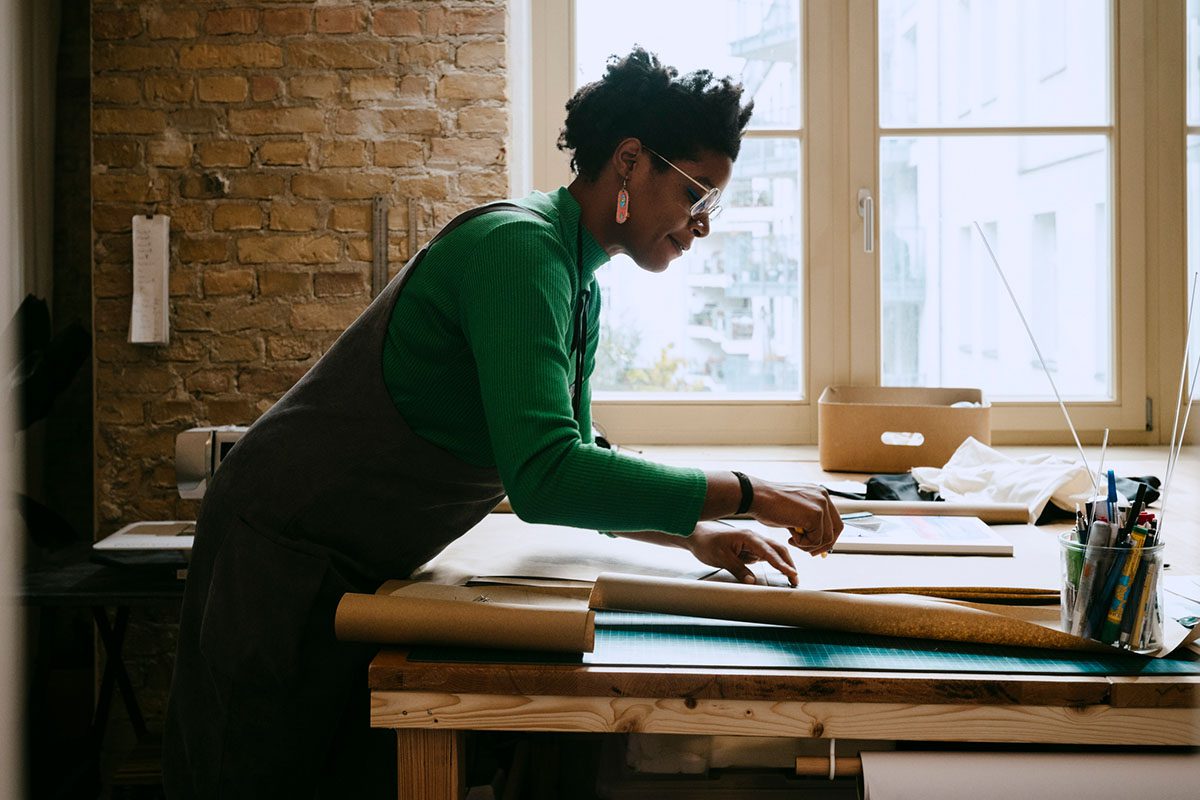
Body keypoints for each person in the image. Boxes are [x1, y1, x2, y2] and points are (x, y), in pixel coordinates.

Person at [163, 47, 843, 799]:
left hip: (353, 560)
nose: (702, 225)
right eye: (697, 194)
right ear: (629, 163)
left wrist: (695, 534)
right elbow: (548, 478)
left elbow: (572, 453)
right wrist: (751, 492)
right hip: (279, 550)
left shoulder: (576, 279)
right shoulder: (521, 251)